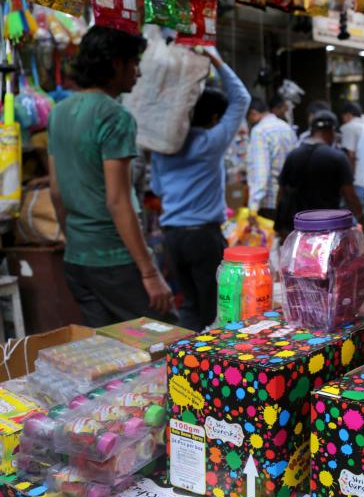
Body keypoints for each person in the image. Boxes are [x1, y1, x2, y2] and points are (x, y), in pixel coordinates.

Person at [48, 26, 175, 327]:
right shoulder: (116, 116)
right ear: (116, 63)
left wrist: (76, 241)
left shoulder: (59, 111)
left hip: (78, 260)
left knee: (107, 351)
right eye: (134, 63)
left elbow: (56, 191)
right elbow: (118, 201)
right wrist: (149, 271)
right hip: (115, 259)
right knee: (168, 342)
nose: (138, 73)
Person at [150, 50, 251, 331]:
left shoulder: (162, 148)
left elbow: (157, 188)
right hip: (203, 238)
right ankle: (210, 367)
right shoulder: (210, 142)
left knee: (190, 304)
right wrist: (216, 60)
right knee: (215, 307)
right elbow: (242, 98)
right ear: (215, 116)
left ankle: (186, 365)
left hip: (172, 238)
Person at [275, 111, 364, 240]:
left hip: (298, 228)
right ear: (331, 132)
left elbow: (281, 191)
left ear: (312, 130)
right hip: (328, 228)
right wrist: (362, 220)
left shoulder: (293, 155)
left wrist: (279, 222)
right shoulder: (338, 157)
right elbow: (349, 194)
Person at [246, 95, 298, 221]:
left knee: (270, 239)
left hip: (269, 201)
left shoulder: (259, 131)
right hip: (289, 198)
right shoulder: (286, 127)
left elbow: (261, 171)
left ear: (253, 113)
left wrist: (253, 206)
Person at [340, 100, 364, 212]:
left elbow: (350, 154)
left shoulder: (349, 127)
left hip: (360, 178)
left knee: (360, 212)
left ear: (348, 114)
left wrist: (349, 179)